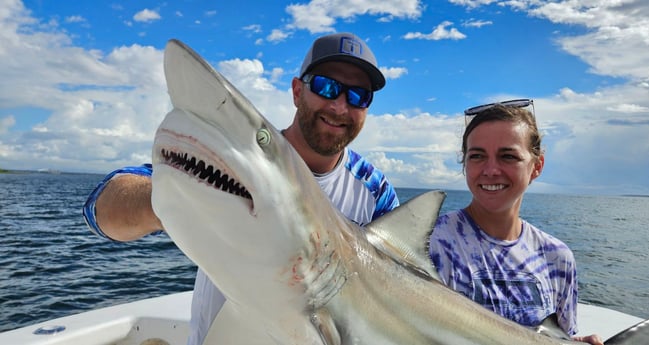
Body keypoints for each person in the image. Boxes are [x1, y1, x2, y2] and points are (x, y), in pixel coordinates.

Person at [83, 32, 399, 345]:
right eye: (326, 86)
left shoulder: (375, 193)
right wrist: (172, 203)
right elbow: (100, 210)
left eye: (359, 95)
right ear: (297, 91)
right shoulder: (234, 156)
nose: (340, 106)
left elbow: (401, 296)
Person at [428, 100, 603, 345]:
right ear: (464, 163)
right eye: (477, 156)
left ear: (537, 166)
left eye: (508, 156)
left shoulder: (557, 258)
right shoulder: (432, 243)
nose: (490, 170)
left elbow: (559, 338)